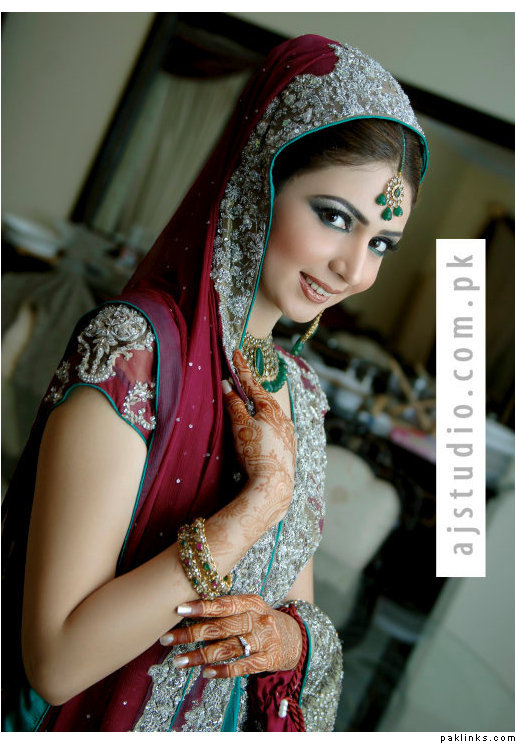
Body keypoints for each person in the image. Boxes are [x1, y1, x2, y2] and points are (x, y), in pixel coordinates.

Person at [2, 33, 428, 732]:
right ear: (258, 179)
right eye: (333, 217)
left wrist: (286, 639)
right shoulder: (136, 353)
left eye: (380, 243)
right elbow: (55, 660)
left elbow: (293, 613)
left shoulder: (299, 395)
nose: (355, 269)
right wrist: (257, 507)